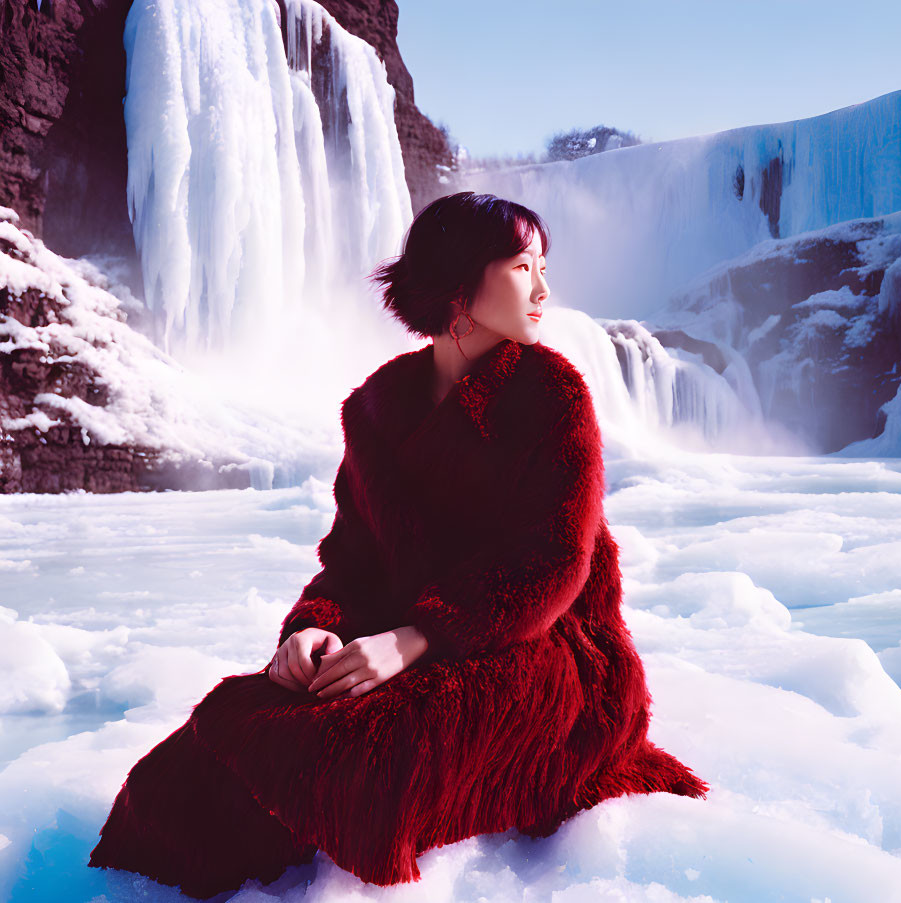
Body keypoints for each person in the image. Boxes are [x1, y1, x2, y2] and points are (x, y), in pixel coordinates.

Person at [88, 191, 710, 899]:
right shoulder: (376, 407)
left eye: (543, 267)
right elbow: (351, 557)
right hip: (407, 635)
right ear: (457, 284)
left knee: (365, 757)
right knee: (194, 758)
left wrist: (419, 637)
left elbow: (552, 566)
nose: (542, 290)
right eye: (520, 266)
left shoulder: (552, 394)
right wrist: (314, 627)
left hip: (550, 651)